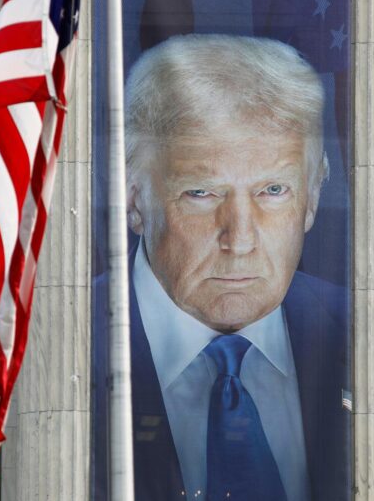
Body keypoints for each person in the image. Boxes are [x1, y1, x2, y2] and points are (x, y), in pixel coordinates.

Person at [124, 34, 349, 501]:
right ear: (133, 198)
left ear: (313, 197)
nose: (240, 239)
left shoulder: (361, 333)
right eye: (202, 193)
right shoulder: (71, 339)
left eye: (273, 191)